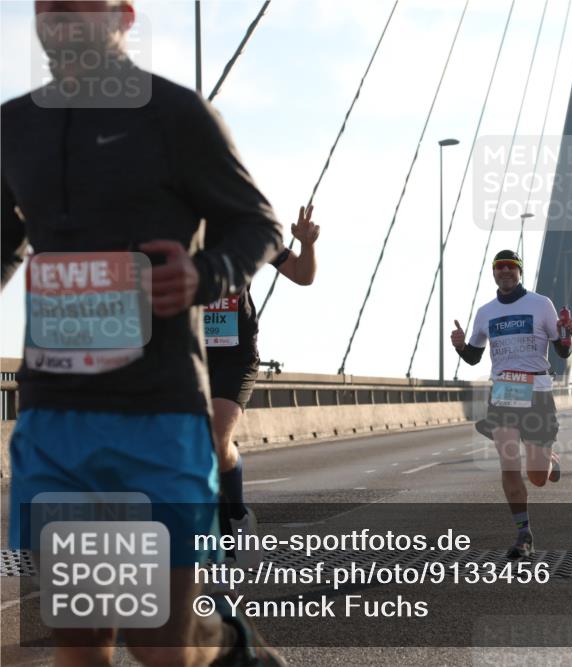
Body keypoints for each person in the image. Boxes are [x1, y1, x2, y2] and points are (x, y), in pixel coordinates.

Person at [2, 2, 286, 664]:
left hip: (158, 409)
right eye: (49, 8)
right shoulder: (14, 125)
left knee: (161, 643)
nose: (61, 21)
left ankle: (220, 641)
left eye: (80, 8)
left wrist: (206, 272)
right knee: (82, 635)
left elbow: (260, 224)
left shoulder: (175, 116)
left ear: (124, 16)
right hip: (54, 413)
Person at [208, 204, 319, 563]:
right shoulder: (168, 225)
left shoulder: (250, 228)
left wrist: (306, 245)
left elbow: (302, 275)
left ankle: (236, 517)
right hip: (186, 353)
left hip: (234, 355)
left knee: (215, 437)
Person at [451, 250, 572, 560]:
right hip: (505, 391)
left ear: (519, 271)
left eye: (511, 267)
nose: (505, 271)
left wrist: (566, 335)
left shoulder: (540, 304)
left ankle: (550, 459)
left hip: (538, 390)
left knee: (537, 477)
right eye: (499, 267)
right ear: (493, 273)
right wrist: (460, 346)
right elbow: (474, 356)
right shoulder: (485, 312)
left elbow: (561, 350)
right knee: (509, 463)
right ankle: (524, 534)